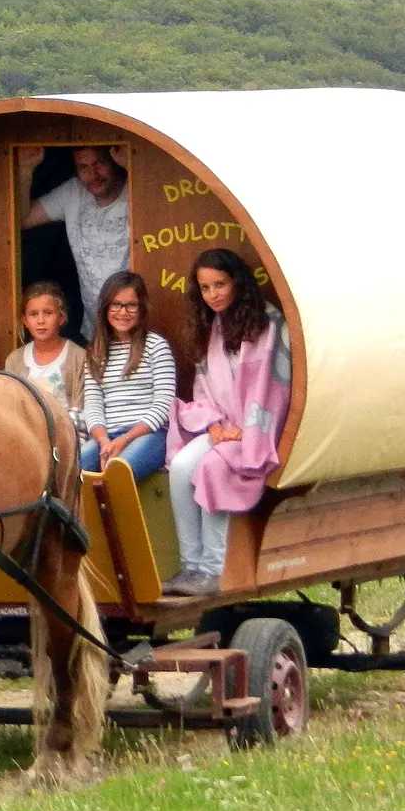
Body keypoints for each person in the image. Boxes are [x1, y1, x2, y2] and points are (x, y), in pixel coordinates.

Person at [162, 248, 291, 598]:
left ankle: (213, 569)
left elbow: (271, 389)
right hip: (222, 427)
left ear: (238, 282)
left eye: (220, 284)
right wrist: (214, 425)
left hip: (257, 430)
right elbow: (203, 383)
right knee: (182, 466)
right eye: (205, 288)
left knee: (213, 467)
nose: (214, 294)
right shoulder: (213, 325)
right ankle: (191, 565)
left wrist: (246, 432)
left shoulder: (268, 324)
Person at [19, 145, 131, 337]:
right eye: (84, 167)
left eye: (100, 163)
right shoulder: (73, 192)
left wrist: (133, 167)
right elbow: (21, 218)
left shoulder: (135, 190)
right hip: (95, 332)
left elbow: (164, 212)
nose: (93, 174)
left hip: (135, 324)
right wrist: (25, 169)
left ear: (114, 160)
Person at [79, 272, 176, 482]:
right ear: (105, 308)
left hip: (150, 435)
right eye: (116, 305)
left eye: (131, 305)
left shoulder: (156, 346)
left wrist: (125, 439)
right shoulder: (96, 352)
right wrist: (104, 441)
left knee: (118, 472)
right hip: (108, 436)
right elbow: (93, 405)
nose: (123, 312)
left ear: (141, 310)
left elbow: (164, 405)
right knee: (76, 471)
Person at [3, 282, 88, 435]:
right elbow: (11, 408)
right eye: (33, 314)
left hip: (69, 434)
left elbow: (81, 410)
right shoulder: (14, 360)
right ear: (25, 320)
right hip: (28, 435)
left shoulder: (79, 357)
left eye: (48, 313)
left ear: (61, 317)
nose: (41, 321)